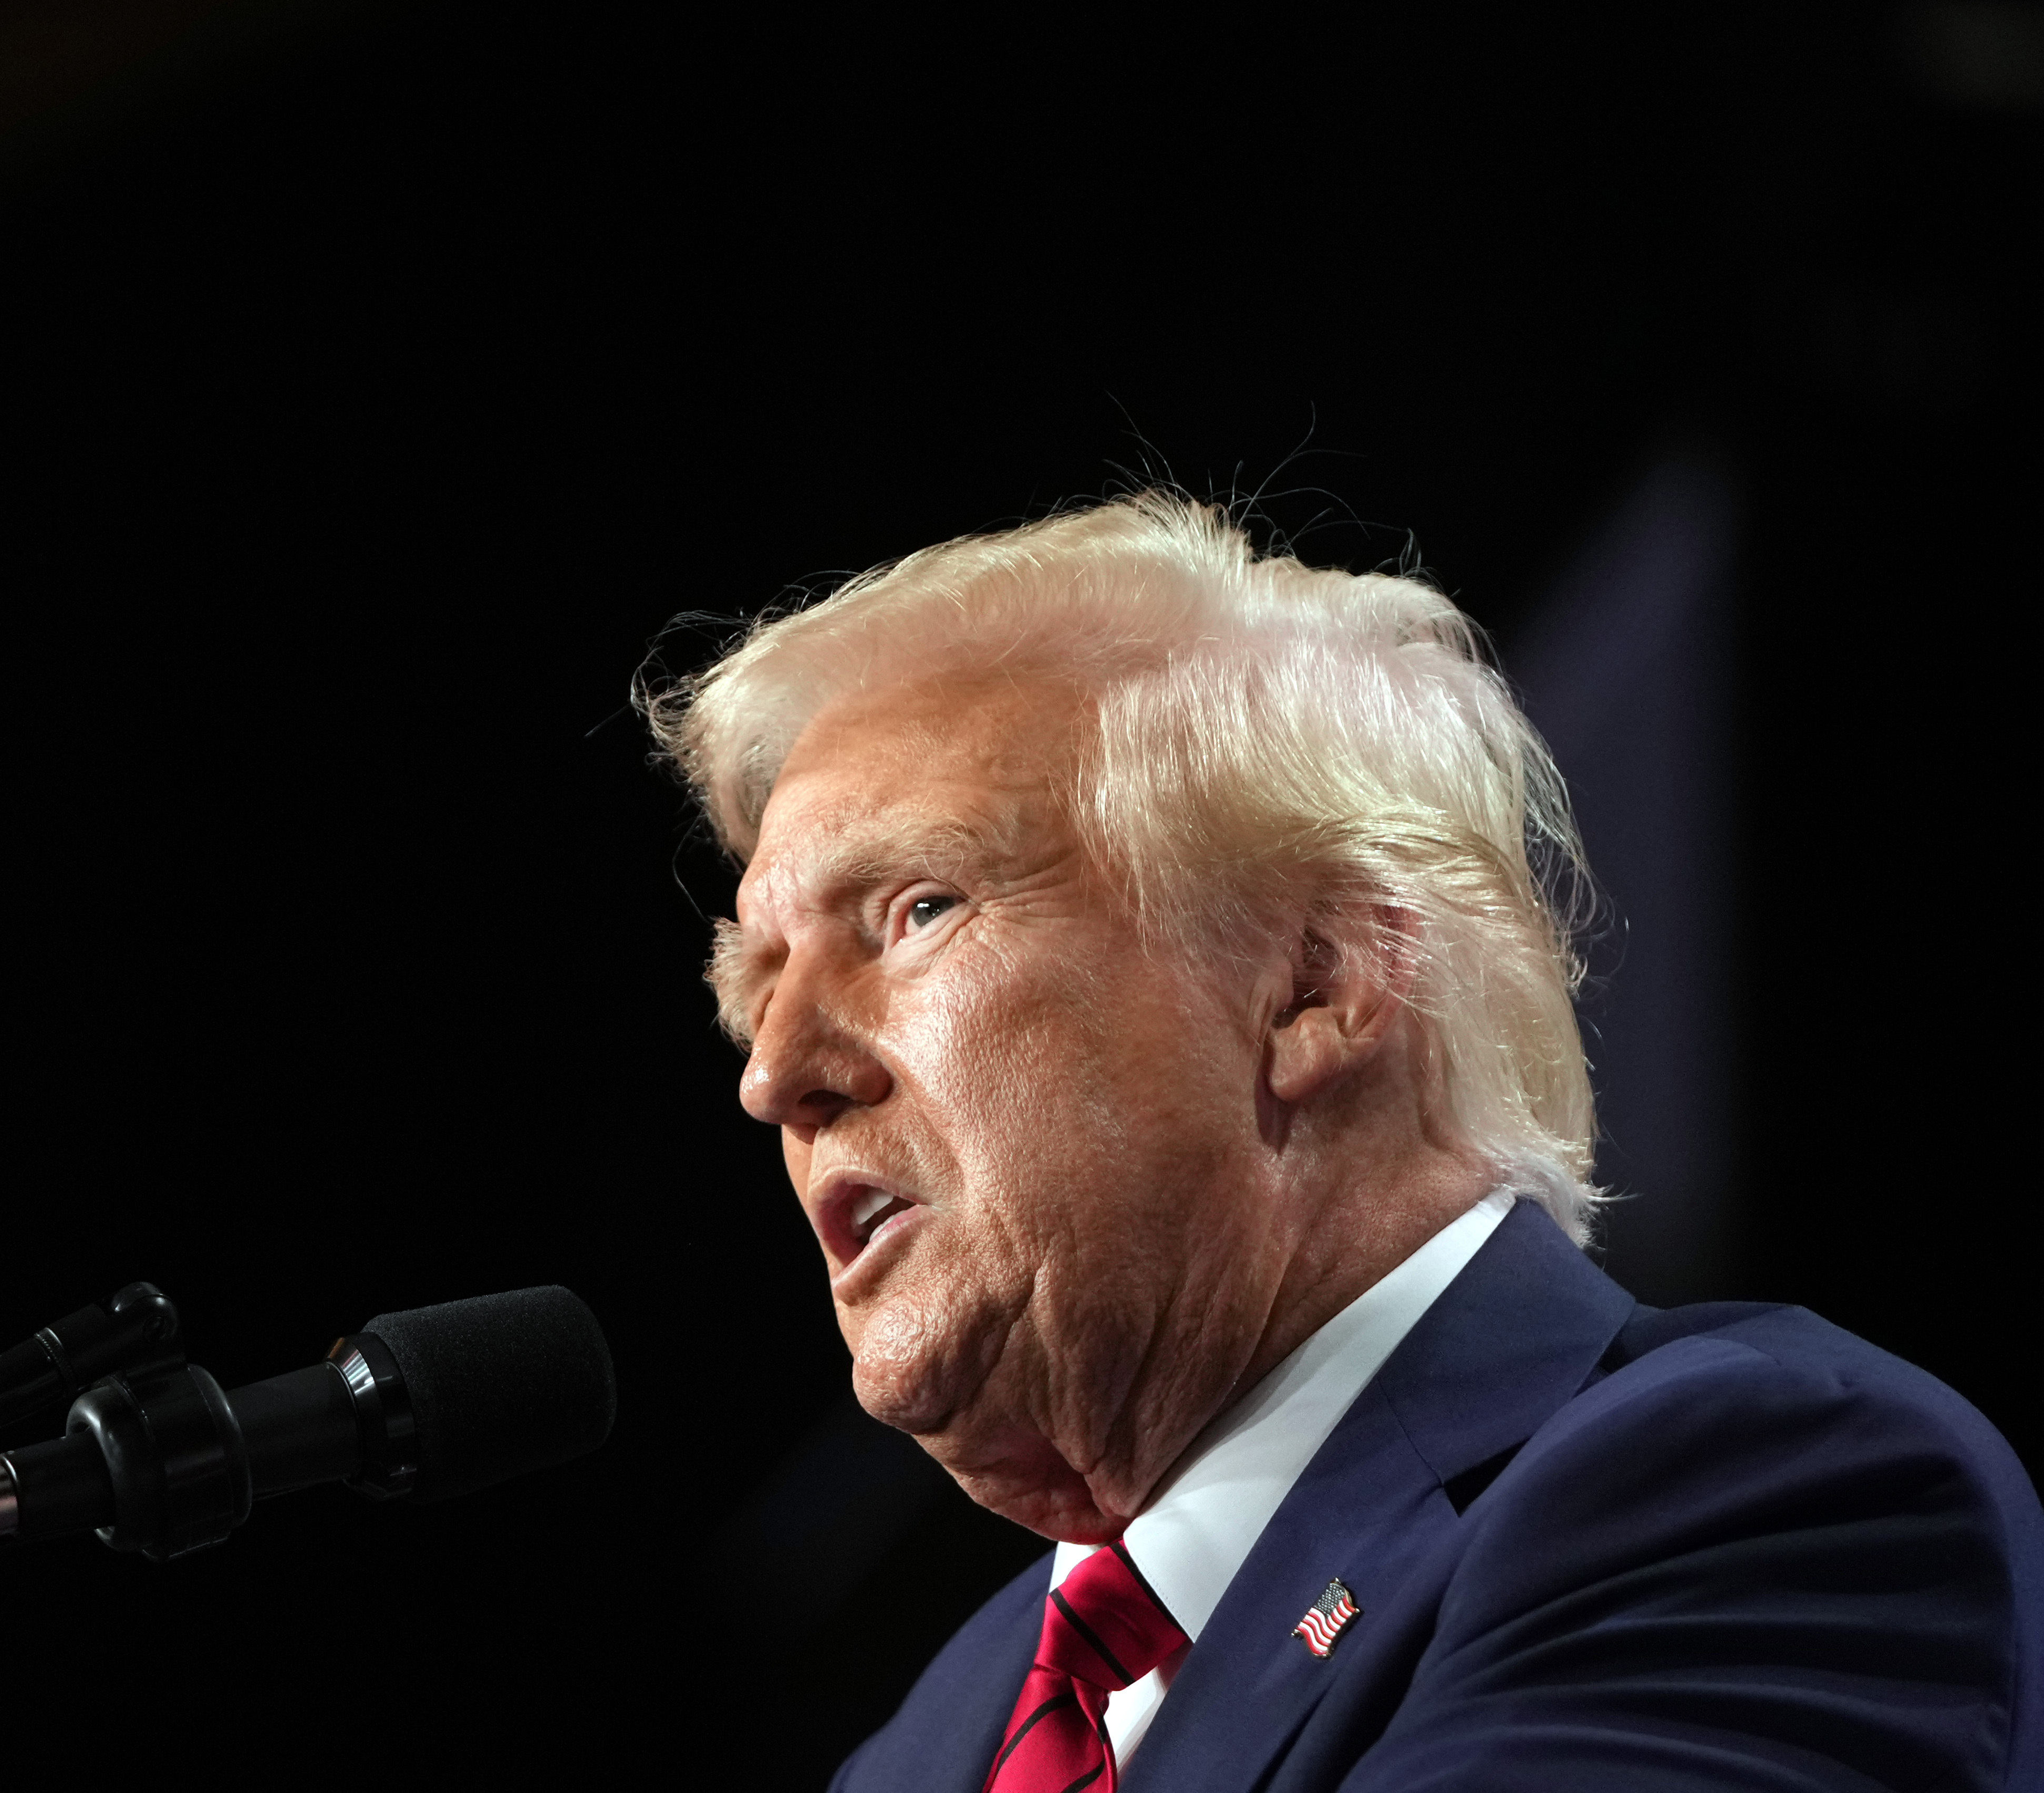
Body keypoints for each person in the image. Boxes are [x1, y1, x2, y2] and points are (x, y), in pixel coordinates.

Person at [648, 492, 2041, 1792]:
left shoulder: (1745, 1498)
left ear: (1317, 984)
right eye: (755, 995)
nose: (777, 1076)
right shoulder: (932, 1741)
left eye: (916, 912)